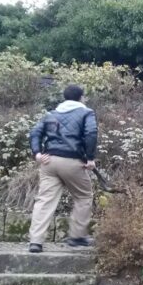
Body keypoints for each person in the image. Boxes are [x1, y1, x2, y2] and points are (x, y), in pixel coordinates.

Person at [27, 85, 98, 253]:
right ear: (81, 97)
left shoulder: (51, 114)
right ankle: (77, 236)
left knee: (44, 200)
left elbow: (35, 133)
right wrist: (90, 158)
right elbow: (91, 133)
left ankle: (35, 241)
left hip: (49, 161)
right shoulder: (86, 112)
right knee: (83, 196)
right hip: (72, 161)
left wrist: (37, 153)